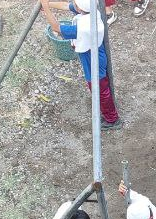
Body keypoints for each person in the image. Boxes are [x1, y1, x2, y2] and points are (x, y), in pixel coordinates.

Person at [40, 0, 120, 129]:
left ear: (80, 9)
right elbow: (66, 5)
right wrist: (46, 4)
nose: (73, 4)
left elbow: (56, 27)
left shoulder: (82, 28)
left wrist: (45, 7)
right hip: (94, 55)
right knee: (100, 89)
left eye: (76, 4)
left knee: (100, 91)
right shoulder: (92, 11)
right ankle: (108, 112)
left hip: (93, 61)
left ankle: (112, 119)